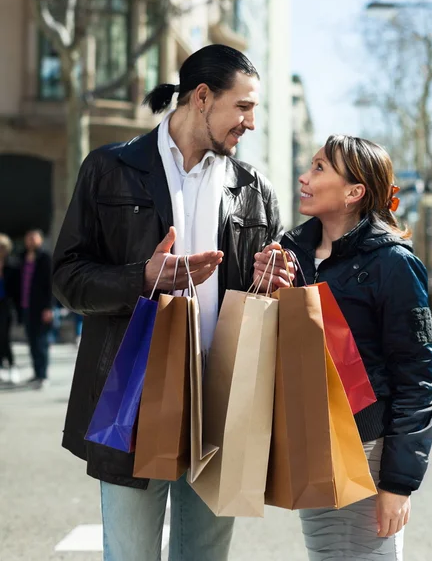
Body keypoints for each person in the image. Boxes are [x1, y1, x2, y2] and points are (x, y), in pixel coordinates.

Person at [52, 44, 282, 561]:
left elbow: (263, 300)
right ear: (202, 97)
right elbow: (67, 279)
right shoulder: (109, 169)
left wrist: (274, 282)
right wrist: (143, 277)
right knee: (130, 554)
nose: (249, 123)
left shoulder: (255, 190)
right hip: (131, 398)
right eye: (243, 107)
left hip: (220, 405)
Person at [254, 135, 432, 561]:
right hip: (310, 438)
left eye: (320, 169)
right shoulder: (291, 252)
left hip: (365, 446)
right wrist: (269, 288)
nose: (304, 177)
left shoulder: (394, 263)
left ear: (355, 192)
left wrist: (398, 484)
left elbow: (418, 380)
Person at [17, 229, 54, 388]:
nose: (30, 241)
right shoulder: (22, 258)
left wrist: (49, 308)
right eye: (28, 238)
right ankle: (36, 373)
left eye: (33, 238)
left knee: (41, 342)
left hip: (41, 308)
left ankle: (43, 375)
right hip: (26, 307)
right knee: (31, 342)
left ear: (40, 240)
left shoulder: (45, 259)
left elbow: (52, 286)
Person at [0, 233, 18, 382]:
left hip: (6, 305)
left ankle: (12, 365)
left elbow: (15, 289)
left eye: (2, 247)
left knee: (5, 337)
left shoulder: (12, 265)